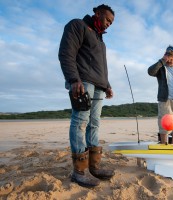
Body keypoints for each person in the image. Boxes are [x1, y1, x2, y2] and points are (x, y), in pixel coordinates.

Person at [58, 4, 115, 187]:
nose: (108, 24)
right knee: (81, 121)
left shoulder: (100, 41)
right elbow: (66, 53)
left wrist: (107, 85)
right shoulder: (78, 26)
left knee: (94, 123)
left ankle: (94, 167)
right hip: (82, 83)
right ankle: (79, 171)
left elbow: (101, 67)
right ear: (97, 14)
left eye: (111, 22)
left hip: (98, 86)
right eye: (107, 19)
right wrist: (74, 79)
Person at [148, 46, 173, 144]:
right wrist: (162, 61)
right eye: (167, 56)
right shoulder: (161, 66)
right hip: (165, 100)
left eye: (171, 57)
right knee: (164, 125)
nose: (169, 59)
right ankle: (164, 145)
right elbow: (150, 72)